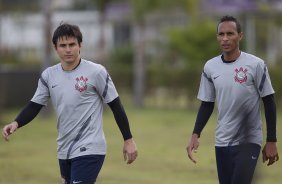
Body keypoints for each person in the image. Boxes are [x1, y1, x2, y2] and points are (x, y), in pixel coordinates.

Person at [2, 23, 138, 184]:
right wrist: (16, 122)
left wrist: (128, 139)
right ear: (55, 47)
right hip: (64, 149)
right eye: (63, 45)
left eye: (72, 44)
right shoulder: (49, 76)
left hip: (90, 147)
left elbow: (116, 106)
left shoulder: (96, 72)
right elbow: (34, 105)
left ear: (80, 45)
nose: (68, 49)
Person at [186, 15, 279, 184]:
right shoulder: (210, 67)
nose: (225, 38)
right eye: (221, 34)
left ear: (240, 36)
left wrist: (271, 140)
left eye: (230, 33)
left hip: (248, 140)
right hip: (222, 141)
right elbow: (207, 104)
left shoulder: (256, 65)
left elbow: (269, 101)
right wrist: (195, 134)